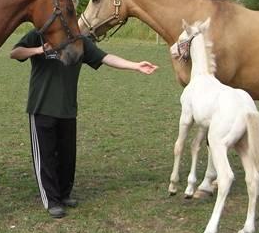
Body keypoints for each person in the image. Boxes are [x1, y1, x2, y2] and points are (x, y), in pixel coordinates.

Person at [10, 30, 158, 218]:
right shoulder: (38, 34)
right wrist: (38, 50)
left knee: (67, 157)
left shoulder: (80, 42)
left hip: (67, 109)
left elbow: (106, 57)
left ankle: (64, 195)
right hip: (41, 107)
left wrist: (135, 65)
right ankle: (52, 201)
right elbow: (15, 53)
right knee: (45, 158)